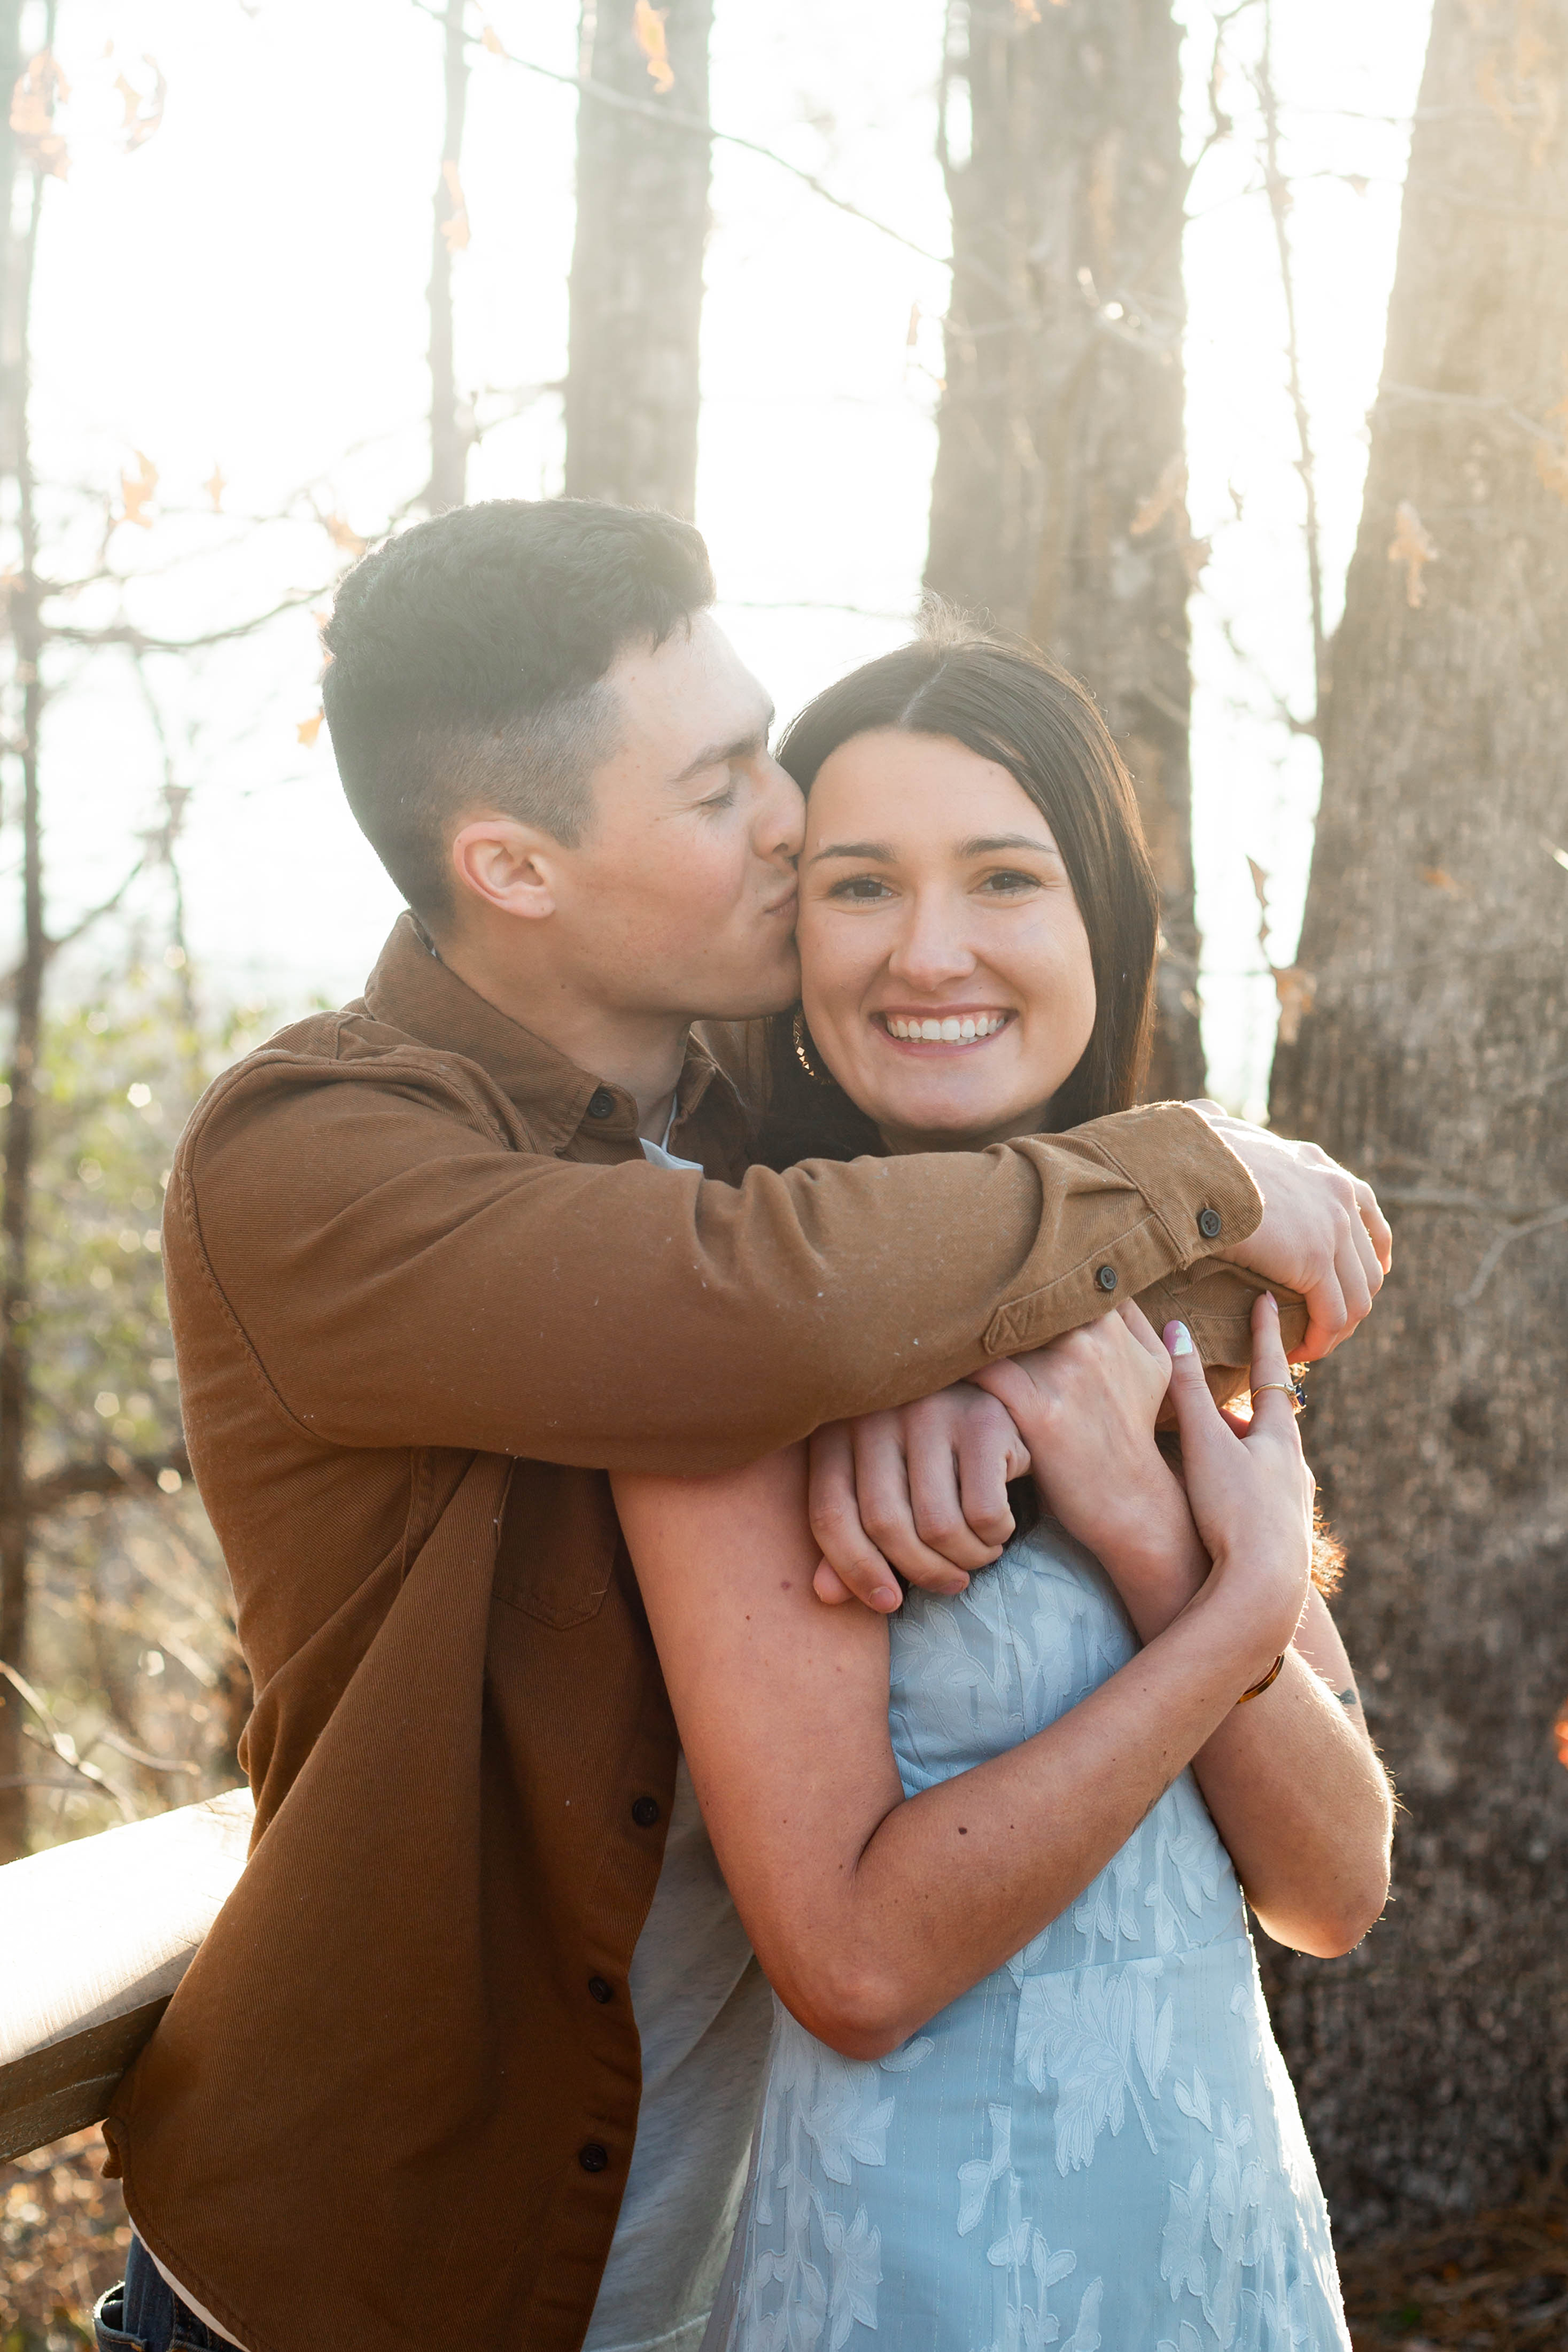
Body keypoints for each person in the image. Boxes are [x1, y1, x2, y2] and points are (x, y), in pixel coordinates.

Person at [93, 502, 1389, 2352]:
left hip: (739, 2254)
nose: (788, 820)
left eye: (765, 749)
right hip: (394, 2271)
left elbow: (874, 1238)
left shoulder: (776, 1143)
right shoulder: (318, 1157)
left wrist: (1057, 1364)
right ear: (515, 866)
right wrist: (1192, 1174)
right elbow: (741, 1301)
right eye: (720, 789)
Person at [612, 625, 1393, 2352]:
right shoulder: (733, 1331)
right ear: (790, 934)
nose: (930, 951)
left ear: (1101, 925)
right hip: (922, 2276)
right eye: (862, 885)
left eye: (1005, 879)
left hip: (1221, 2260)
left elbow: (1334, 1887)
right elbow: (857, 1973)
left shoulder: (1171, 1302)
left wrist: (1136, 1524)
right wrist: (1231, 1605)